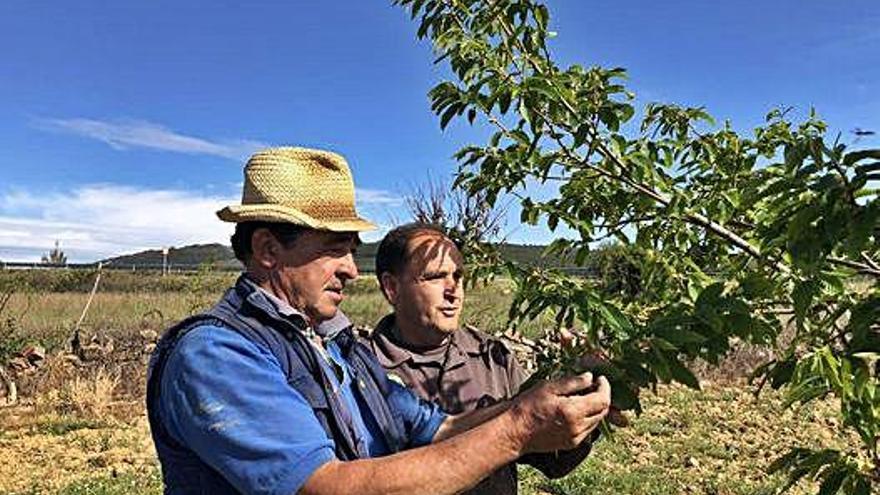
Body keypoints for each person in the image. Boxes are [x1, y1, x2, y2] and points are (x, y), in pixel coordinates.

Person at [146, 146, 612, 495]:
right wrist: (519, 428)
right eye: (334, 247)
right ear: (269, 250)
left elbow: (439, 428)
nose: (351, 267)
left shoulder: (337, 346)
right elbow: (324, 488)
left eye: (352, 249)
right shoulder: (218, 355)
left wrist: (537, 400)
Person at [366, 223, 596, 494]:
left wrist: (585, 400)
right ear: (392, 287)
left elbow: (551, 460)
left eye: (458, 276)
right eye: (435, 276)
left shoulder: (491, 357)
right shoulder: (364, 372)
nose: (453, 290)